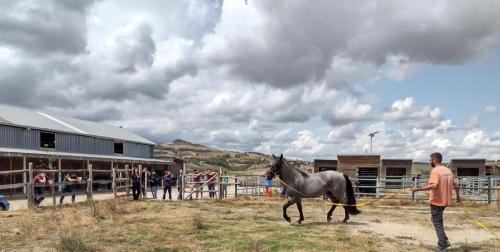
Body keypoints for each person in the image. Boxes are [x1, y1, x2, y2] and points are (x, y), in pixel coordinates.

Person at [411, 152, 461, 251]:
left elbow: (434, 185)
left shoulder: (435, 171)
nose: (429, 161)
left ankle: (442, 244)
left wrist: (417, 189)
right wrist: (458, 197)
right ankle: (445, 240)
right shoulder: (448, 170)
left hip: (437, 201)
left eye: (430, 159)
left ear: (435, 160)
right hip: (446, 201)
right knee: (436, 220)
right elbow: (456, 185)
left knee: (437, 222)